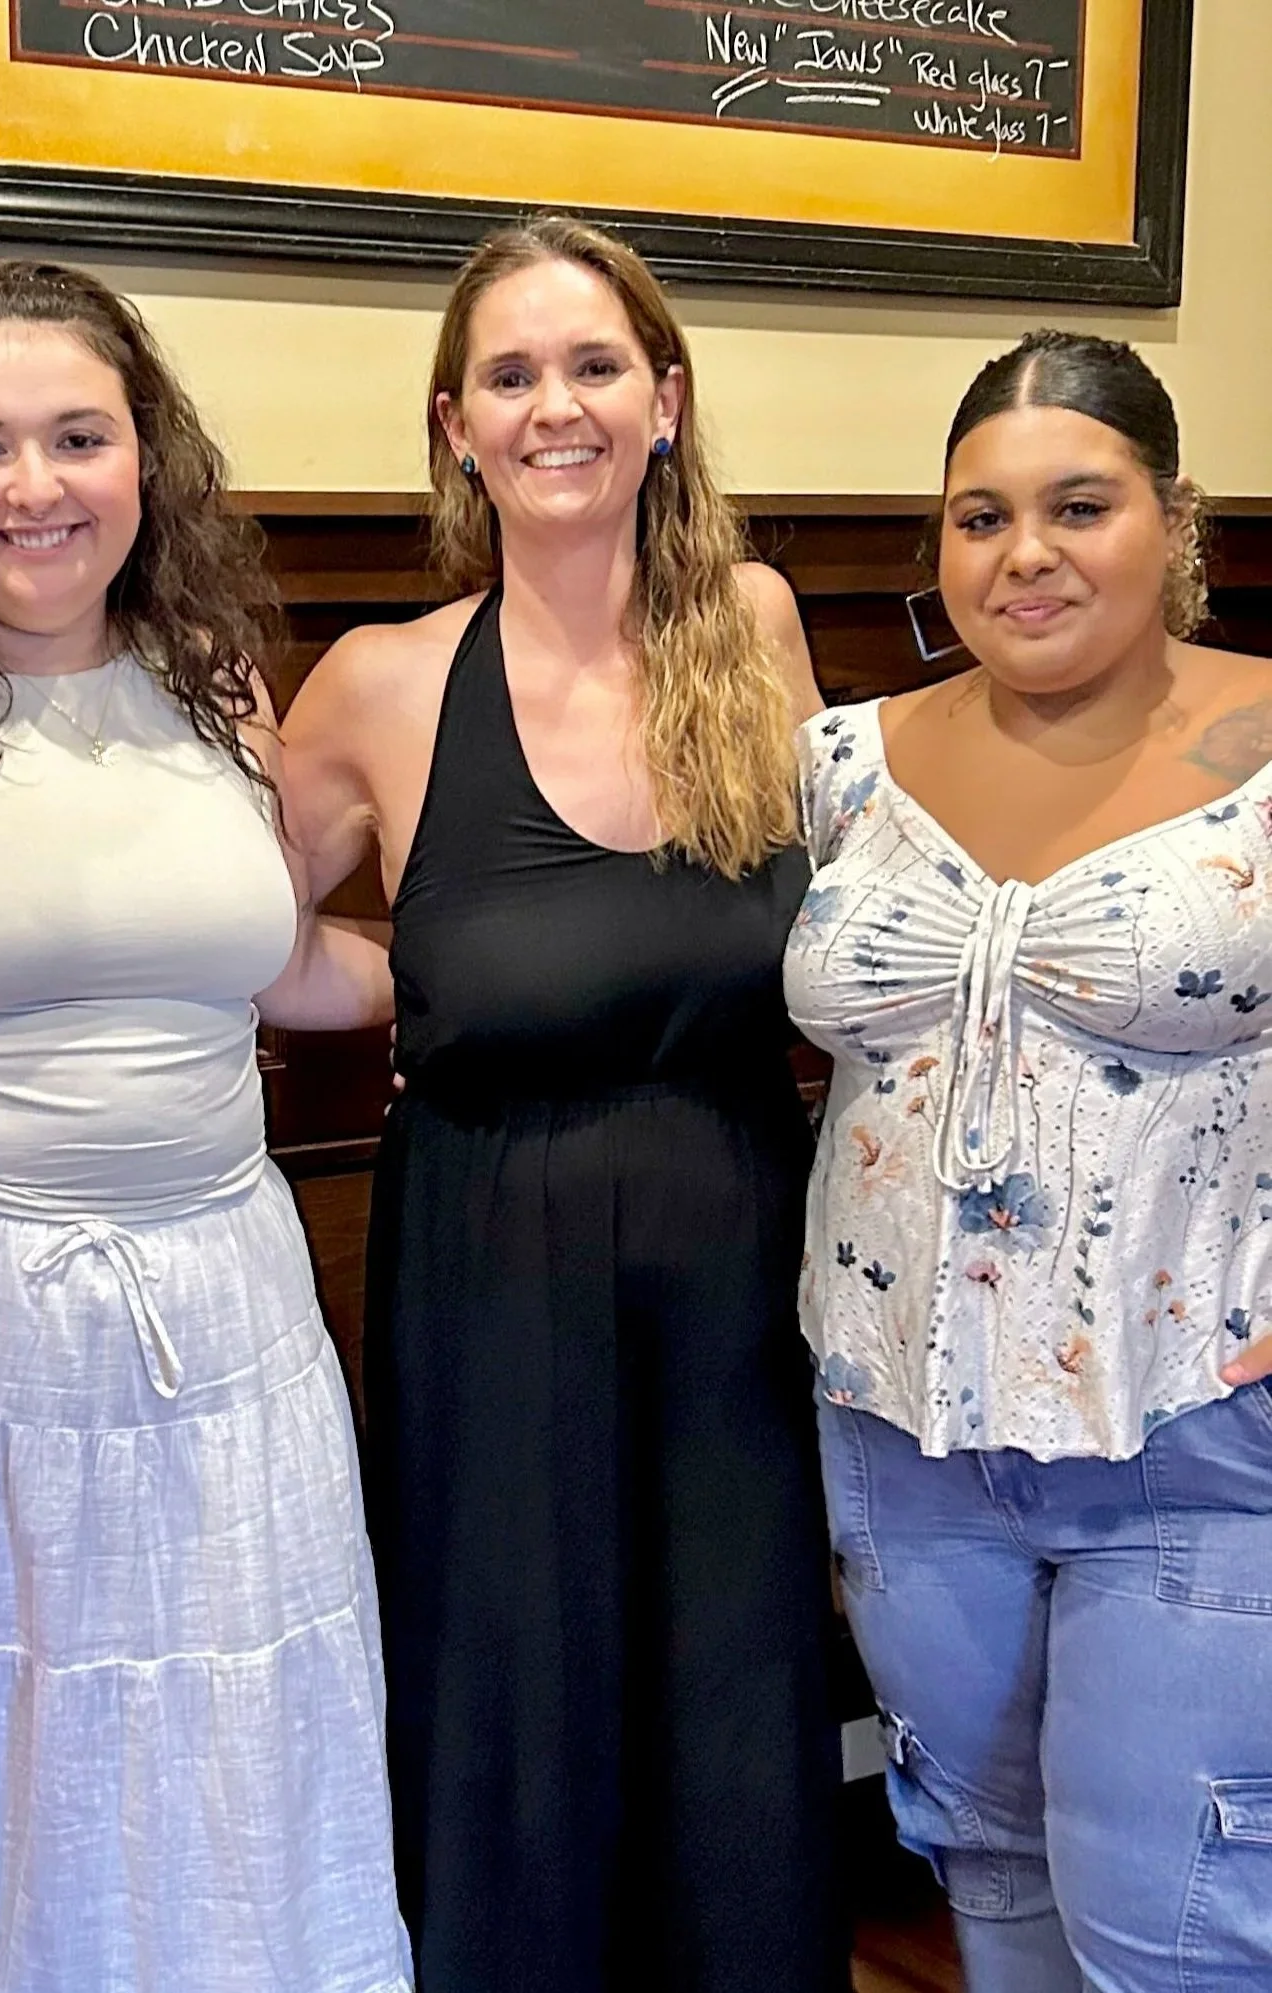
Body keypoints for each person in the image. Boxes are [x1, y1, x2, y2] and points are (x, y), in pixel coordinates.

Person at [0, 260, 410, 1993]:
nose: (36, 487)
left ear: (147, 457)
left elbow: (261, 959)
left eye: (79, 436)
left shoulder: (212, 679)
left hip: (214, 1323)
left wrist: (491, 966)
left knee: (212, 1753)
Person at [280, 215, 848, 1993]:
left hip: (740, 1241)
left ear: (666, 401)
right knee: (512, 1684)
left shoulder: (750, 626)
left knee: (737, 1683)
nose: (557, 408)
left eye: (595, 366)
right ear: (454, 426)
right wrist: (416, 980)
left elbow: (831, 920)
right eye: (510, 377)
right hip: (488, 1261)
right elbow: (236, 940)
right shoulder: (379, 680)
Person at [785, 328, 1272, 1991]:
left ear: (1175, 520)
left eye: (1081, 505)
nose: (1028, 554)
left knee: (1176, 1941)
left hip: (1194, 1440)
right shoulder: (844, 763)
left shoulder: (1269, 748)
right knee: (987, 1891)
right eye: (979, 518)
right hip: (904, 1449)